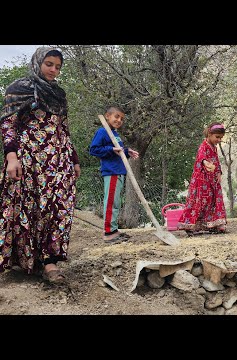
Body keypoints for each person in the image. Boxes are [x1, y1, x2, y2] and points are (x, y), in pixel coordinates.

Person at [0, 47, 81, 284]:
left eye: (58, 66)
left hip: (58, 160)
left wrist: (74, 158)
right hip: (29, 159)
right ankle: (21, 259)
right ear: (38, 62)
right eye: (49, 64)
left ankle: (49, 262)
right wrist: (11, 157)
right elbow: (7, 125)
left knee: (58, 208)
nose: (54, 70)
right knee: (25, 207)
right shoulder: (19, 88)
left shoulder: (59, 94)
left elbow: (63, 128)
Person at [89, 106, 139, 243]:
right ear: (107, 116)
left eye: (122, 119)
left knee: (116, 202)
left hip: (119, 171)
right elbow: (94, 149)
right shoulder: (102, 132)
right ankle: (108, 233)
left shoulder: (115, 133)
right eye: (116, 117)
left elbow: (118, 151)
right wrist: (111, 149)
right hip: (111, 171)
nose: (119, 120)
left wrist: (127, 151)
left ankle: (114, 229)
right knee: (111, 202)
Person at [177, 122, 227, 235]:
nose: (219, 140)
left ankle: (213, 224)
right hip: (201, 180)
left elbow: (216, 161)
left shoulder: (214, 148)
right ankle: (191, 225)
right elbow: (201, 158)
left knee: (212, 201)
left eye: (221, 138)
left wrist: (218, 172)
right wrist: (205, 163)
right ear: (209, 134)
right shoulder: (203, 146)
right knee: (198, 201)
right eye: (217, 137)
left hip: (212, 180)